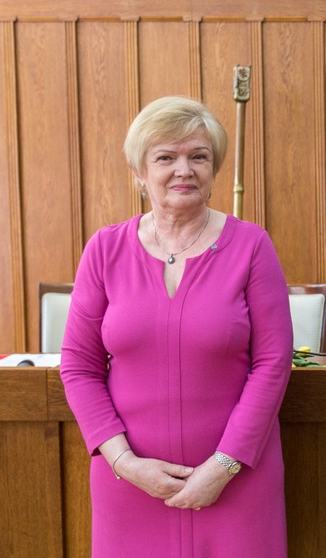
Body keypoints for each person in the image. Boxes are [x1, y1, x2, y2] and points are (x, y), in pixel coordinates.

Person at [60, 96, 293, 557]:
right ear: (139, 174)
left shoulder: (251, 245)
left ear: (213, 170)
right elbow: (79, 366)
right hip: (128, 483)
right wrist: (125, 463)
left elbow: (272, 364)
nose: (183, 170)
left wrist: (223, 467)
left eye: (198, 157)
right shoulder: (104, 250)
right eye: (166, 157)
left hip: (237, 480)